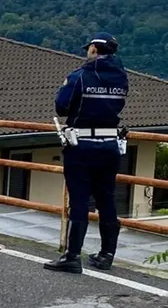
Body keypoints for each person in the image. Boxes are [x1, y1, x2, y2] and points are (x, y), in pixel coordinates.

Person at [44, 32, 129, 274]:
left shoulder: (80, 76)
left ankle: (72, 256)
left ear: (93, 49)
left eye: (88, 48)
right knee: (107, 197)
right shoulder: (122, 78)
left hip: (82, 144)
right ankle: (107, 254)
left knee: (80, 199)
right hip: (111, 143)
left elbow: (61, 106)